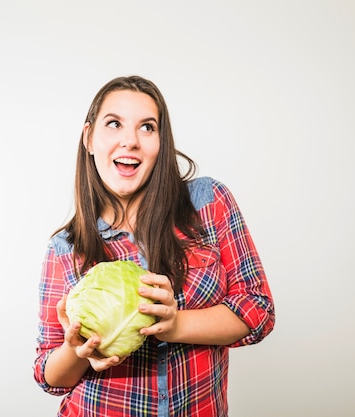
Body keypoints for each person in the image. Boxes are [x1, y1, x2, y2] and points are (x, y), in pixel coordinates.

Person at [33, 75, 275, 417]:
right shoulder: (66, 247)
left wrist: (176, 325)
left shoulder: (208, 202)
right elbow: (48, 375)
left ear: (161, 142)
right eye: (114, 124)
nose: (129, 141)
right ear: (88, 138)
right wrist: (76, 350)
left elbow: (258, 309)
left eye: (147, 127)